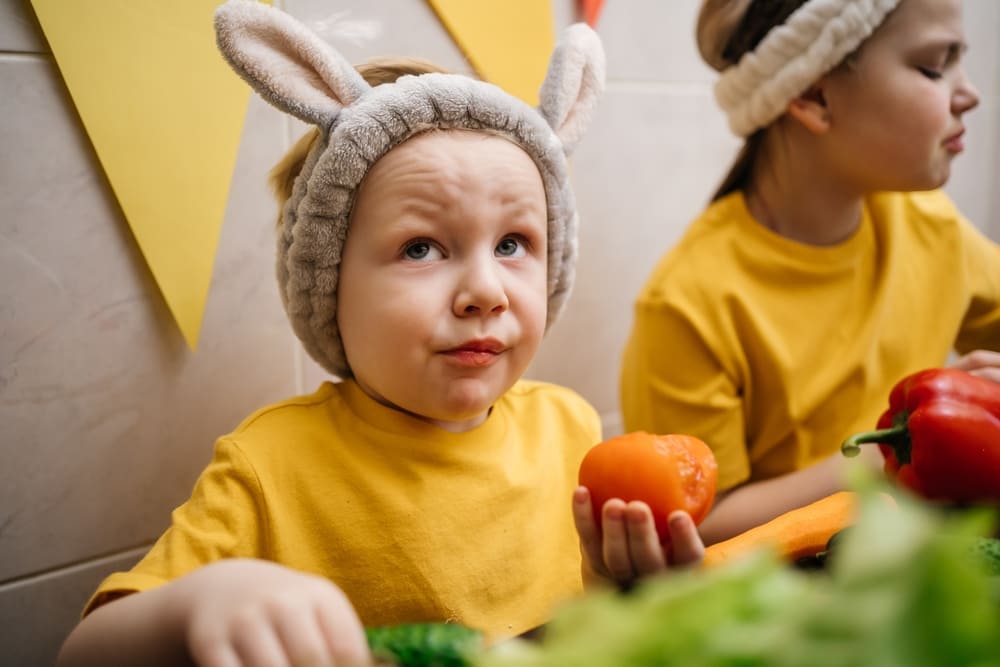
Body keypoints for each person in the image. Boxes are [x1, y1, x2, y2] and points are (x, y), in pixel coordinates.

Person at [58, 2, 704, 666]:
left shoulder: (570, 430)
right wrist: (197, 604)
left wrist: (634, 592)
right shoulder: (271, 466)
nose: (486, 290)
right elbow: (81, 654)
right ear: (328, 281)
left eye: (514, 242)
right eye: (421, 248)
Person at [620, 0, 1000, 546]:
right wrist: (884, 454)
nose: (970, 94)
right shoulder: (688, 303)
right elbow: (696, 525)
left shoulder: (933, 228)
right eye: (934, 66)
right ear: (814, 96)